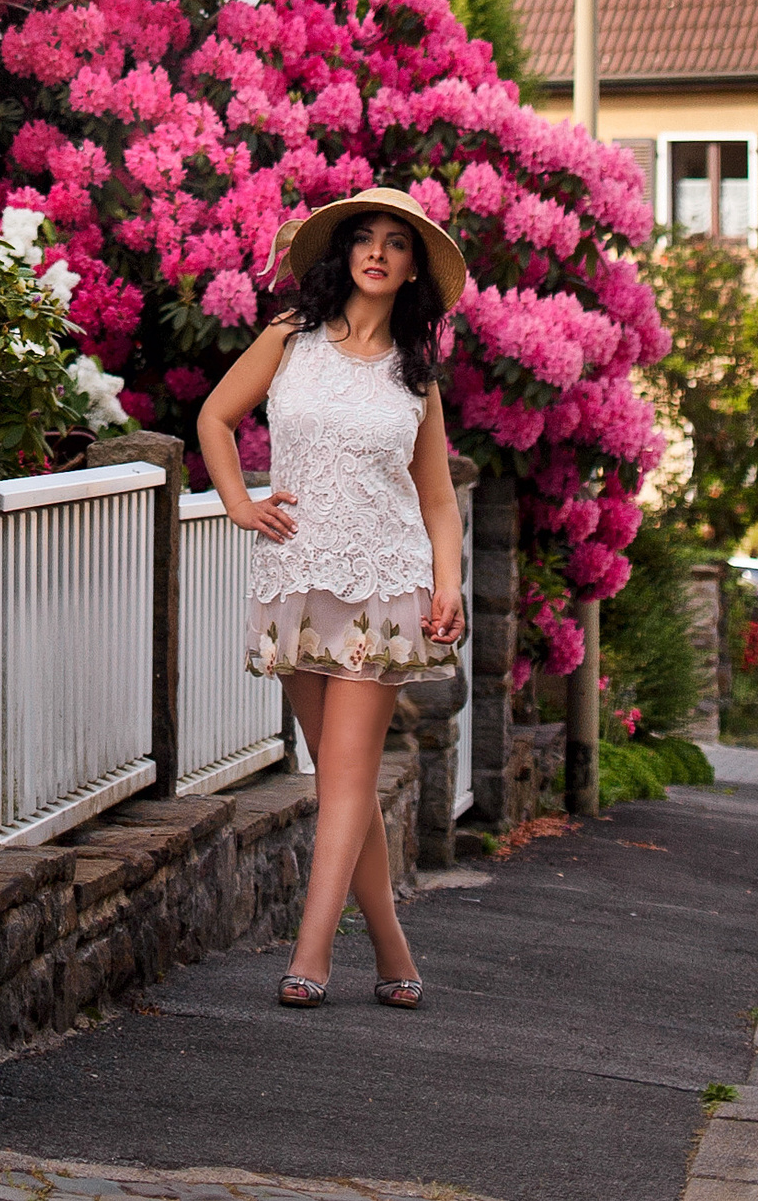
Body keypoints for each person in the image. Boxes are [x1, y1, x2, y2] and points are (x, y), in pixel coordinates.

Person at [197, 184, 468, 1009]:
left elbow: (438, 500)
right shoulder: (289, 339)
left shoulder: (416, 376)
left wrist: (448, 583)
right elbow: (214, 417)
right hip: (296, 580)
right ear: (346, 252)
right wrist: (239, 502)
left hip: (384, 585)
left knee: (346, 783)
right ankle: (392, 948)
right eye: (365, 237)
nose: (378, 251)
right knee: (339, 779)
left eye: (397, 241)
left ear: (413, 268)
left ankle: (310, 955)